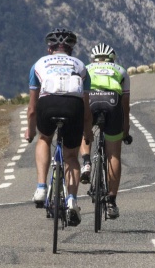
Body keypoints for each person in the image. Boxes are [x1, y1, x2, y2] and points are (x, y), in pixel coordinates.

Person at [25, 28, 93, 227]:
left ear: (49, 49)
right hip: (73, 107)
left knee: (44, 139)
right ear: (71, 49)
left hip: (48, 105)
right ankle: (72, 199)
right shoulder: (81, 65)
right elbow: (87, 109)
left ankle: (41, 188)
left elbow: (31, 108)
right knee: (71, 157)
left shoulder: (38, 64)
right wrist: (87, 132)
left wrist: (30, 132)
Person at [78, 43, 131, 219]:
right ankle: (111, 201)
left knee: (84, 131)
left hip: (91, 101)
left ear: (93, 58)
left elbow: (79, 95)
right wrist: (125, 129)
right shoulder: (121, 70)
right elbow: (125, 105)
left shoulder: (86, 68)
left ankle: (86, 162)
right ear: (112, 58)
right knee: (114, 154)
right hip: (112, 101)